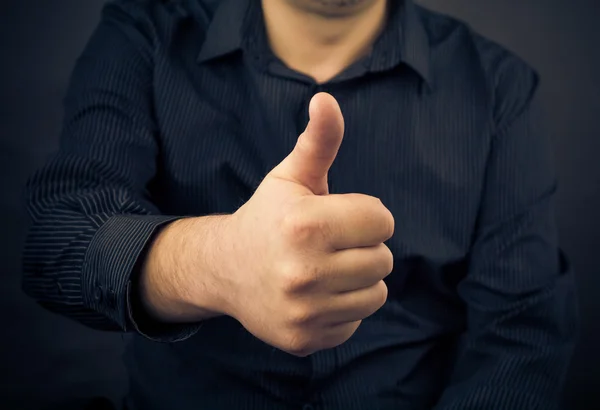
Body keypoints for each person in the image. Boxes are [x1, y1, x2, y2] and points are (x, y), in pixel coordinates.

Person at [22, 0, 578, 409]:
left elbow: (521, 332)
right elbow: (58, 236)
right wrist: (220, 264)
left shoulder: (499, 87)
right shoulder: (144, 34)